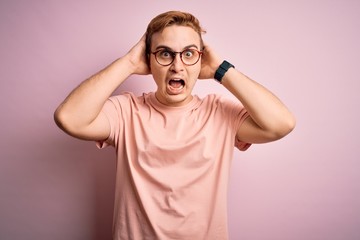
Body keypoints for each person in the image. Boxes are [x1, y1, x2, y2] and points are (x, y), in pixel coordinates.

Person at [54, 10, 295, 240]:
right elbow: (69, 118)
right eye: (165, 54)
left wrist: (222, 69)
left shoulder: (220, 113)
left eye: (189, 54)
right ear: (149, 60)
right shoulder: (126, 111)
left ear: (201, 60)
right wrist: (128, 62)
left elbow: (281, 124)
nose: (177, 66)